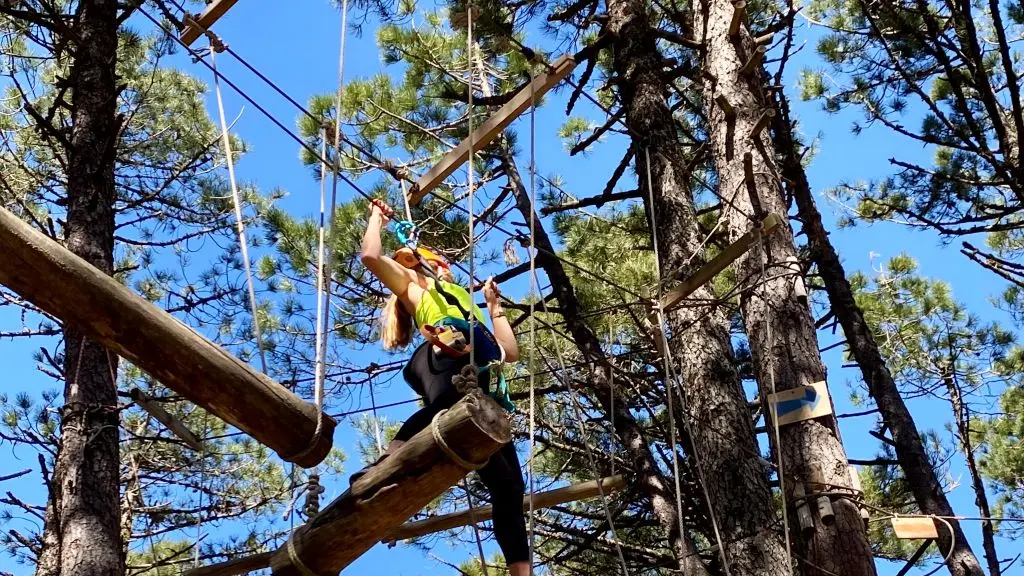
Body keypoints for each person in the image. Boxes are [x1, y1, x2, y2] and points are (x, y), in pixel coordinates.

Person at [356, 198, 529, 576]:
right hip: (440, 350)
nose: (444, 267)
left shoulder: (469, 307)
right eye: (437, 262)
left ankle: (521, 571)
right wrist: (376, 220)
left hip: (478, 373)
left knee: (511, 488)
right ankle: (390, 458)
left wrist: (494, 309)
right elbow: (370, 256)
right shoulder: (416, 288)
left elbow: (508, 353)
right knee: (448, 403)